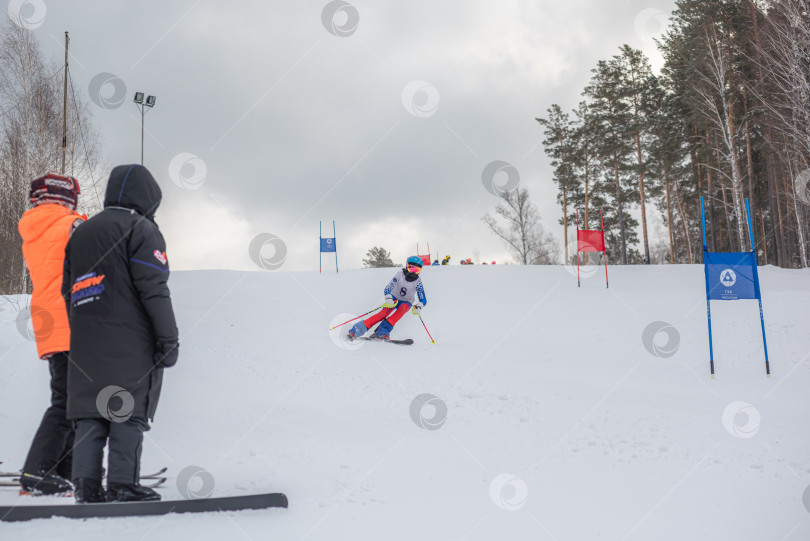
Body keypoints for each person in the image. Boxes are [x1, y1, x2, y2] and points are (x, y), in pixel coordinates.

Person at [62, 164, 179, 504]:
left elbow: (67, 291)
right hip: (130, 342)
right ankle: (122, 484)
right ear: (148, 199)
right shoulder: (141, 230)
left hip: (85, 344)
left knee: (90, 414)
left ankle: (85, 486)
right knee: (124, 410)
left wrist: (86, 326)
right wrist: (168, 340)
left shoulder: (80, 233)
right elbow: (154, 290)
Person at [17, 172, 86, 496]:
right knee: (68, 401)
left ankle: (62, 468)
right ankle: (38, 470)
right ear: (67, 197)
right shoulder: (71, 227)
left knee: (70, 398)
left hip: (49, 321)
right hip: (72, 319)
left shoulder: (34, 228)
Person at [347, 256, 427, 340]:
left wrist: (419, 306)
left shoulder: (418, 282)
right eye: (411, 269)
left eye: (417, 270)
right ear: (407, 266)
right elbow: (387, 288)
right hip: (393, 299)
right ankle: (356, 330)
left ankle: (382, 332)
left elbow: (423, 299)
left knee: (401, 310)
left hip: (406, 302)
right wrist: (388, 297)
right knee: (382, 314)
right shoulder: (399, 275)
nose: (413, 273)